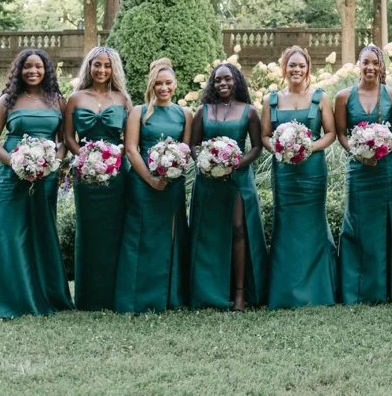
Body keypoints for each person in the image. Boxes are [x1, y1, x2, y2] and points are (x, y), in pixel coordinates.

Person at [0, 48, 74, 318]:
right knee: (6, 231)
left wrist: (53, 163)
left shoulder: (57, 101)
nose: (33, 71)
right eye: (27, 67)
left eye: (38, 66)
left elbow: (64, 141)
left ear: (46, 70)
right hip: (11, 175)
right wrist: (15, 161)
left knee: (41, 230)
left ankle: (45, 295)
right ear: (19, 70)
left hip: (46, 176)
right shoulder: (7, 100)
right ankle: (4, 297)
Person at [114, 58, 192, 314]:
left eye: (168, 83)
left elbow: (186, 150)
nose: (163, 88)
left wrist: (171, 173)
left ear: (175, 84)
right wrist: (150, 178)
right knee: (141, 237)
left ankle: (169, 295)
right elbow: (131, 149)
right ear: (151, 85)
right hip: (142, 182)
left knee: (170, 236)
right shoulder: (138, 112)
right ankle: (137, 297)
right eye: (158, 83)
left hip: (172, 184)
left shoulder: (185, 114)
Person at [262, 45, 338, 308]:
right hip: (284, 173)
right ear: (284, 68)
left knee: (313, 223)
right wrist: (281, 149)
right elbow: (263, 136)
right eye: (291, 65)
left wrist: (307, 148)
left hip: (312, 171)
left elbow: (331, 133)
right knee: (287, 224)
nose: (296, 70)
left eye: (301, 66)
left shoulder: (320, 98)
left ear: (308, 69)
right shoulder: (270, 100)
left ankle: (319, 291)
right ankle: (284, 291)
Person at [188, 61, 268, 311]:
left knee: (237, 229)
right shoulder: (204, 110)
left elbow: (256, 147)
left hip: (238, 179)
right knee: (209, 232)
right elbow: (193, 144)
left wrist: (235, 165)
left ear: (237, 81)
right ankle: (209, 291)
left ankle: (240, 293)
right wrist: (206, 163)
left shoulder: (249, 111)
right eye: (217, 80)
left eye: (228, 79)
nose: (222, 83)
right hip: (209, 180)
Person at [62, 45, 132, 311]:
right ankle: (88, 297)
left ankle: (114, 295)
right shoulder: (75, 99)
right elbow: (68, 137)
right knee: (89, 233)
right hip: (85, 176)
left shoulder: (123, 99)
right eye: (96, 64)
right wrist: (87, 158)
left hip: (116, 175)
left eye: (107, 65)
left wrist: (113, 158)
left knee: (115, 231)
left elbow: (130, 138)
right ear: (88, 67)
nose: (102, 70)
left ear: (113, 69)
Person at [335, 44, 392, 304]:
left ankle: (387, 287)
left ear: (382, 67)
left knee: (387, 223)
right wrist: (357, 152)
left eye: (375, 63)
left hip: (386, 168)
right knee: (357, 223)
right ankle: (356, 289)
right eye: (366, 62)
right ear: (359, 65)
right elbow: (341, 134)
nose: (370, 67)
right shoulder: (344, 96)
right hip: (358, 169)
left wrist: (385, 148)